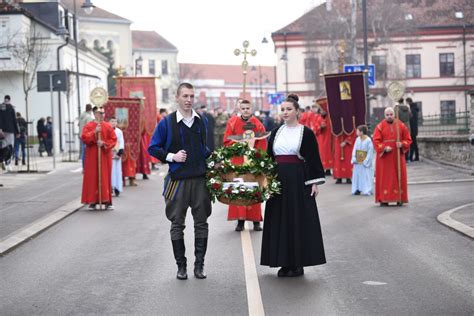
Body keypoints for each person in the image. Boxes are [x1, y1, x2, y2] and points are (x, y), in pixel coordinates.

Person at [148, 82, 212, 280]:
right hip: (178, 181)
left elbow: (205, 149)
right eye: (185, 96)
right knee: (177, 224)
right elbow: (153, 147)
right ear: (177, 97)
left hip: (200, 179)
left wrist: (214, 160)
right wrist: (171, 156)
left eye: (192, 96)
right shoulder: (167, 123)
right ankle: (181, 266)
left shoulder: (202, 121)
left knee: (201, 223)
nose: (189, 100)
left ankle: (199, 266)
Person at [260, 94, 326, 277]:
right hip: (278, 180)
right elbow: (269, 158)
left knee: (296, 221)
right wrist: (266, 179)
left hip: (298, 181)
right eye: (283, 109)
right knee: (279, 220)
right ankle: (283, 262)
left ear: (297, 111)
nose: (285, 112)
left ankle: (297, 263)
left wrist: (314, 183)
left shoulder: (306, 133)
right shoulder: (275, 132)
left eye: (289, 109)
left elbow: (312, 159)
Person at [223, 99, 267, 232]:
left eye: (248, 108)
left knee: (254, 190)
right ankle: (240, 221)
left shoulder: (257, 124)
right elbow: (227, 141)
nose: (246, 110)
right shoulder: (232, 123)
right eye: (243, 108)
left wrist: (255, 151)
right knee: (239, 190)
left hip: (252, 162)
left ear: (251, 109)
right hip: (238, 161)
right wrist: (239, 144)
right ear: (239, 109)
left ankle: (256, 221)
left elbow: (263, 142)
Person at [372, 107, 412, 206]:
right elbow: (376, 141)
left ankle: (399, 198)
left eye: (391, 114)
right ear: (384, 115)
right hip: (385, 158)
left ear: (394, 114)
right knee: (385, 178)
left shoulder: (401, 126)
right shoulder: (380, 127)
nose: (389, 116)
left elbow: (408, 139)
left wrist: (402, 144)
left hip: (397, 156)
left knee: (399, 175)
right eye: (387, 115)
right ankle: (384, 199)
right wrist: (384, 148)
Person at [81, 107, 117, 210]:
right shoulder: (89, 126)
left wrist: (104, 143)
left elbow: (113, 139)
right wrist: (94, 132)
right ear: (94, 113)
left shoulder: (108, 126)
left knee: (105, 177)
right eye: (99, 113)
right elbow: (85, 138)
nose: (102, 115)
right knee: (92, 177)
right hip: (92, 156)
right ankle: (93, 201)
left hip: (104, 156)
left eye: (103, 113)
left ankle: (107, 201)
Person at [350, 125, 374, 195]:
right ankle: (357, 189)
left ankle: (367, 189)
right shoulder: (357, 139)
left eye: (357, 131)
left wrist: (366, 161)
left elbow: (370, 152)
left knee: (366, 176)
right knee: (357, 176)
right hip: (358, 161)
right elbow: (354, 149)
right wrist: (354, 158)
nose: (356, 132)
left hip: (364, 161)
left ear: (361, 132)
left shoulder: (368, 141)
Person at [0, 95, 19, 171]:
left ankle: (2, 161)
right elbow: (14, 120)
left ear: (4, 99)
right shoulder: (12, 108)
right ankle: (7, 163)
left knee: (2, 146)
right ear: (10, 100)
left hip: (1, 130)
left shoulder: (0, 107)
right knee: (10, 147)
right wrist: (17, 132)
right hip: (10, 131)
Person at [109, 117, 124, 197]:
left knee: (117, 172)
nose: (114, 123)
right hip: (109, 154)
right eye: (112, 121)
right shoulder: (107, 131)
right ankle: (110, 187)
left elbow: (121, 142)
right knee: (110, 172)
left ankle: (117, 188)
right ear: (109, 122)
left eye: (115, 121)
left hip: (117, 153)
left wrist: (119, 153)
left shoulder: (119, 132)